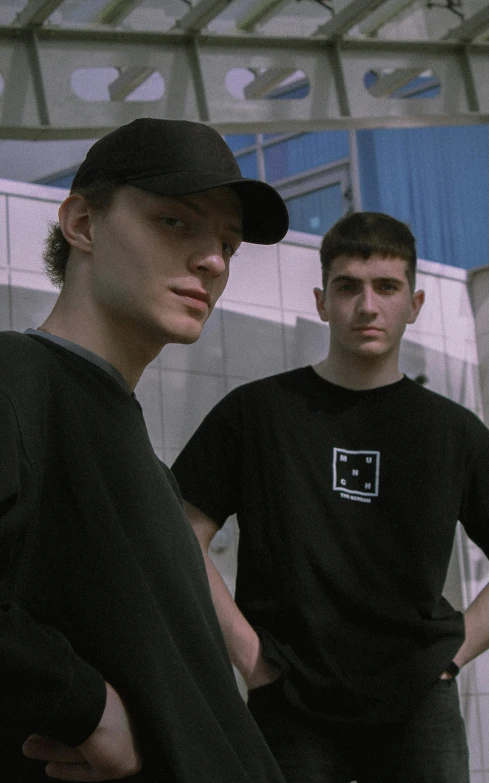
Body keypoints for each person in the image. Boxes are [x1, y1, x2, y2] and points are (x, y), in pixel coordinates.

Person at [173, 211, 489, 783]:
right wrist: (250, 656)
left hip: (418, 703)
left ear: (415, 305)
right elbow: (182, 530)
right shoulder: (257, 414)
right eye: (348, 287)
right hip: (289, 699)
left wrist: (453, 654)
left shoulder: (451, 432)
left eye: (387, 287)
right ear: (321, 300)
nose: (367, 306)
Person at [0, 117, 290, 782]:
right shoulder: (17, 376)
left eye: (227, 242)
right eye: (175, 222)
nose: (213, 260)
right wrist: (85, 703)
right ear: (82, 224)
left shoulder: (146, 464)